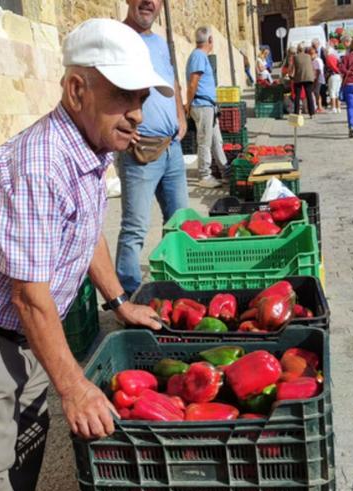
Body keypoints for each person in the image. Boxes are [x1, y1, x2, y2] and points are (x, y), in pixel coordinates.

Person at [0, 18, 168, 491]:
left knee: (20, 456)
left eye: (141, 99)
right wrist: (72, 387)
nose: (136, 113)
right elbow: (30, 296)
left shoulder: (92, 148)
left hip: (20, 330)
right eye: (123, 96)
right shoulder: (40, 166)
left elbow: (87, 234)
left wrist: (118, 301)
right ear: (76, 90)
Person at [115, 0, 189, 296]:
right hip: (139, 152)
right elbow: (101, 87)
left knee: (180, 222)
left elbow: (171, 80)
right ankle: (127, 296)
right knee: (135, 229)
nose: (149, 2)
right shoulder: (116, 38)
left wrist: (181, 115)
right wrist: (119, 127)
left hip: (172, 149)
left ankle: (180, 287)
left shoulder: (159, 43)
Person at [185, 26, 228, 188]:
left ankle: (225, 172)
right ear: (210, 40)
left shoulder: (200, 56)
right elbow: (193, 83)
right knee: (204, 140)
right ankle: (204, 175)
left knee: (217, 140)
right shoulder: (198, 56)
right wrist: (188, 105)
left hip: (208, 105)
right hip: (202, 105)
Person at [292, 43, 316, 118]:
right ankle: (311, 113)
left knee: (297, 96)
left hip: (299, 78)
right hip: (308, 77)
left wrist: (291, 76)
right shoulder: (308, 56)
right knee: (309, 95)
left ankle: (296, 113)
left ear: (297, 49)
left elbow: (293, 68)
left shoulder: (295, 57)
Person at [325, 47, 342, 113]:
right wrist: (340, 73)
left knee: (332, 91)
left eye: (325, 51)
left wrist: (337, 71)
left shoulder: (329, 57)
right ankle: (338, 108)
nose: (325, 53)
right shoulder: (335, 57)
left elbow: (332, 66)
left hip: (333, 75)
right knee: (337, 92)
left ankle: (333, 108)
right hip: (338, 76)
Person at [311, 47, 325, 113]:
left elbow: (318, 71)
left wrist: (315, 79)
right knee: (316, 93)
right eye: (310, 54)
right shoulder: (314, 60)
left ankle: (320, 107)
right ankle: (318, 106)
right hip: (316, 78)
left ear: (316, 53)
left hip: (318, 78)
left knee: (317, 93)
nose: (311, 55)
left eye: (312, 54)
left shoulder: (317, 60)